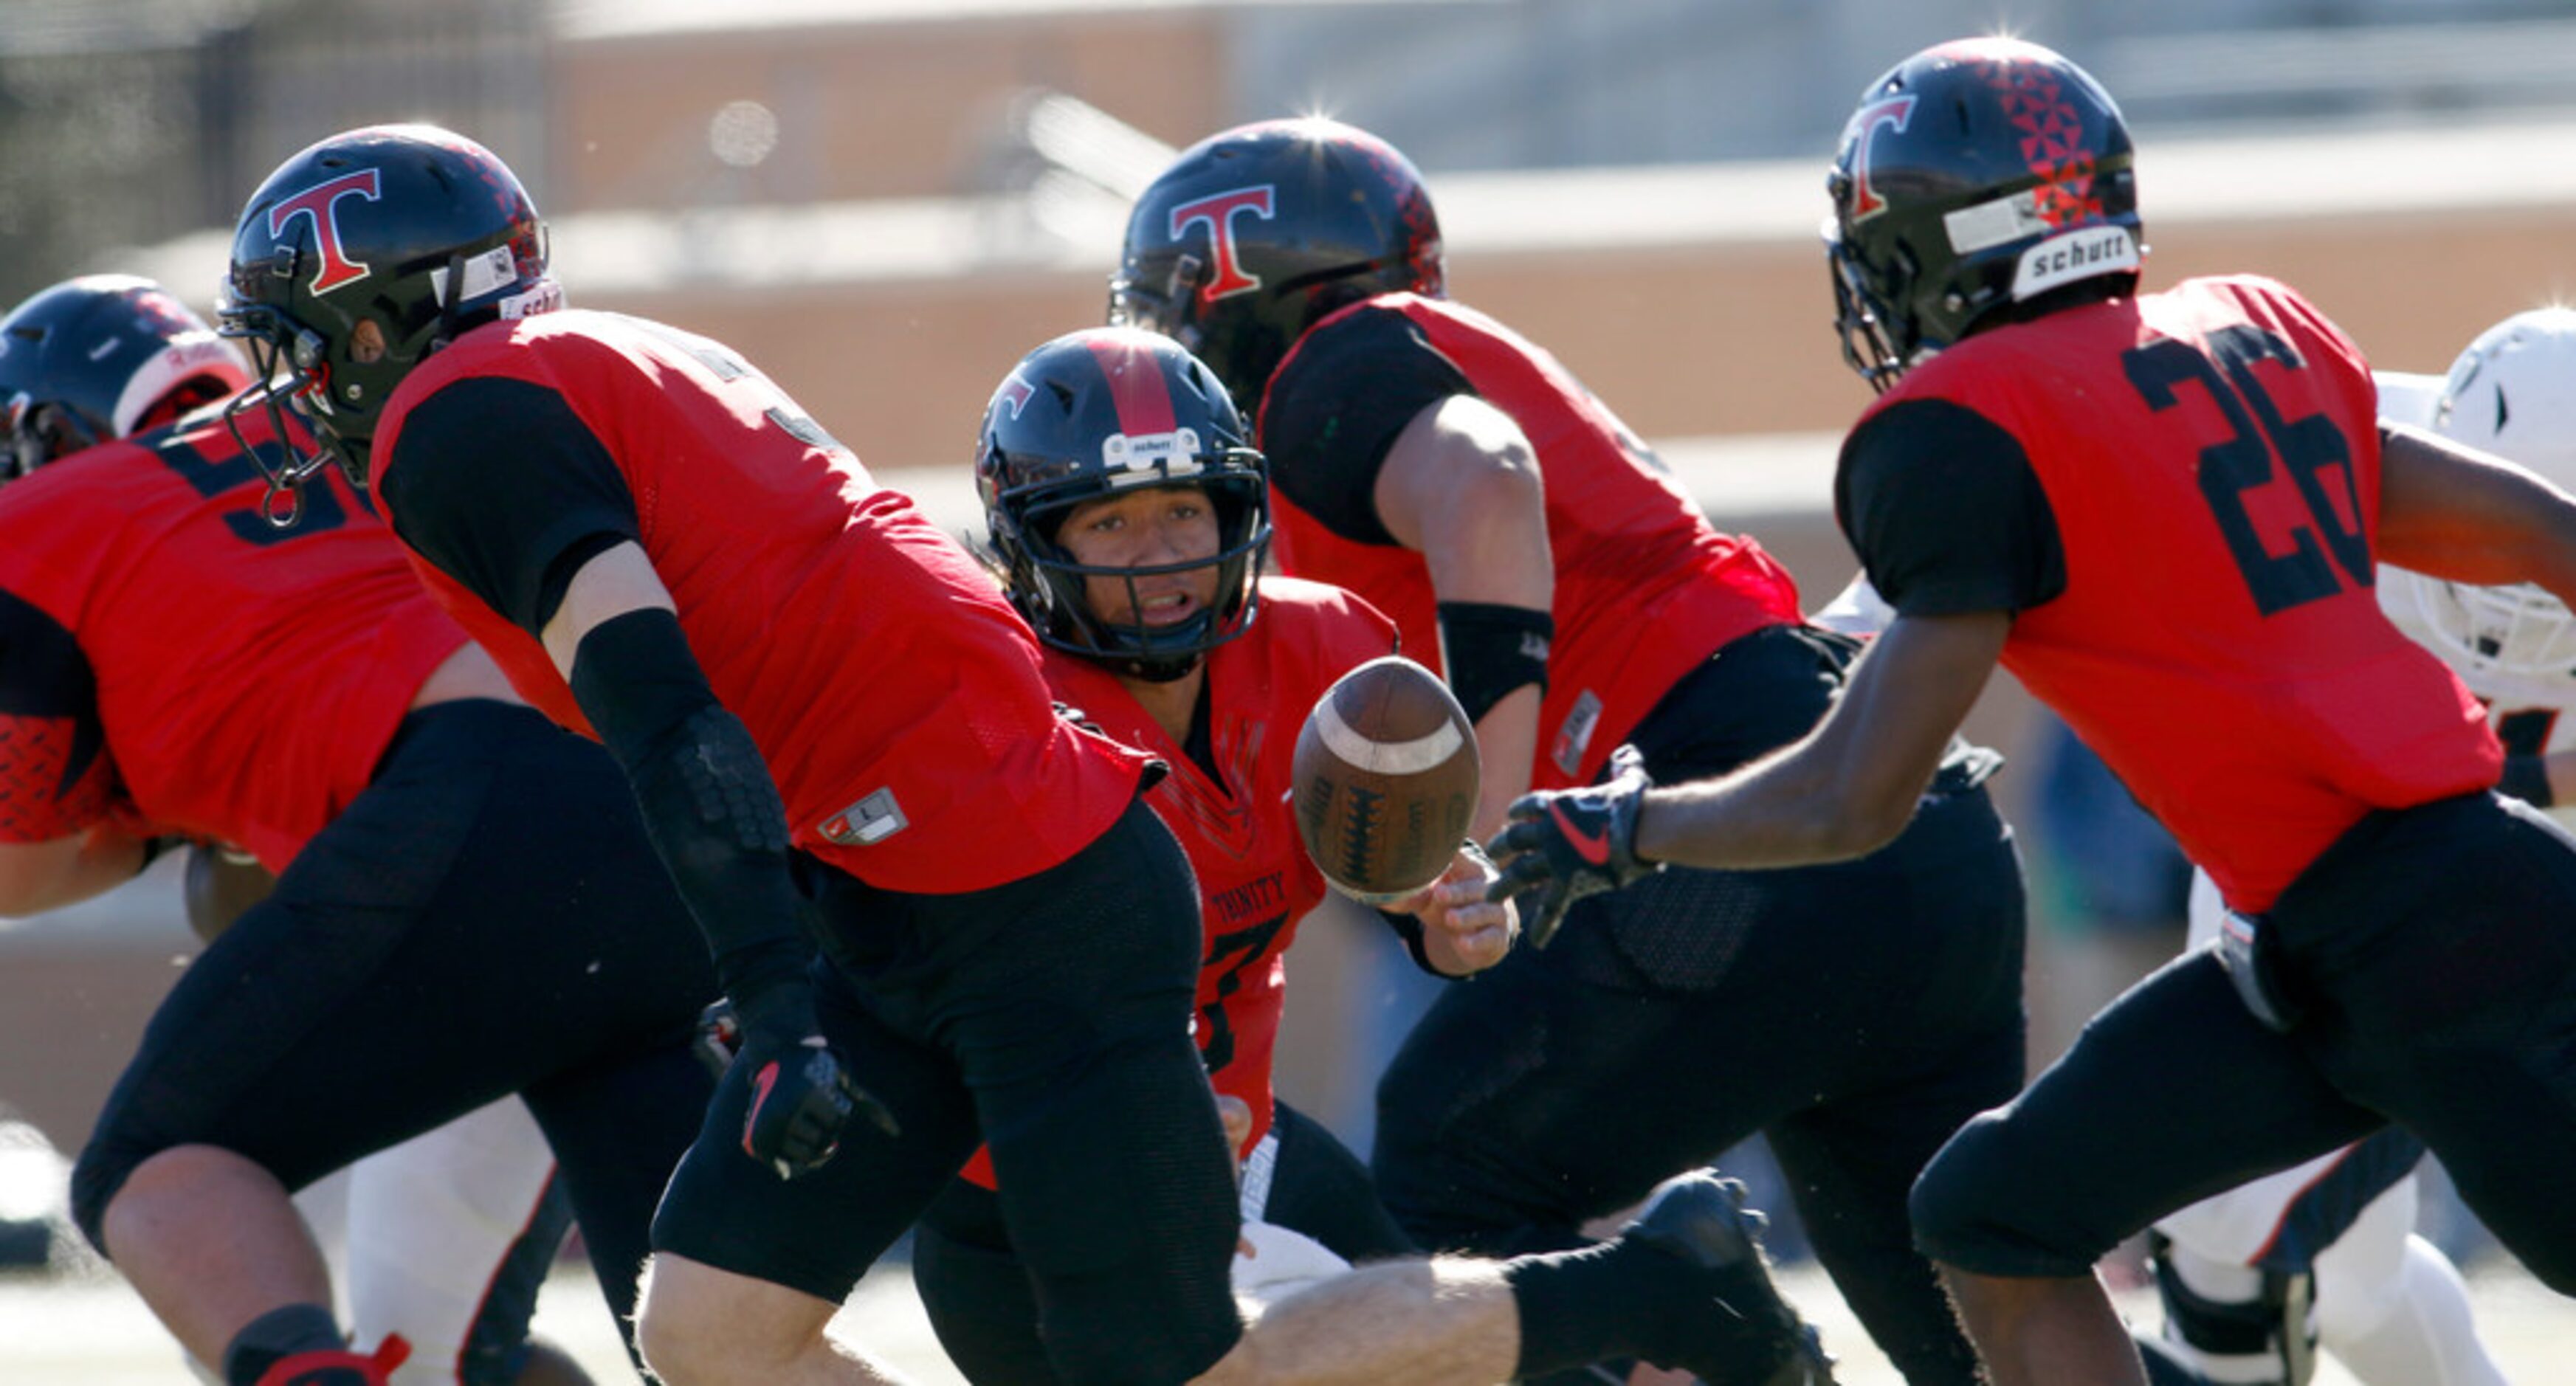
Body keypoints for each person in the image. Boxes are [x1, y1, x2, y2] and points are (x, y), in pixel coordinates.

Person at [216, 122, 1837, 1386]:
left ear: (375, 320)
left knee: (1174, 1372)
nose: (298, 386)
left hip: (1025, 890)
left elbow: (664, 706)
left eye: (301, 340)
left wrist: (771, 993)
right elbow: (787, 663)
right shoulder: (601, 362)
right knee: (709, 1327)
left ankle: (1642, 1284)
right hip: (907, 885)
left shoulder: (463, 415)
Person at [1483, 37, 2576, 1386]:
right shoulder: (2247, 327)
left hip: (2429, 940)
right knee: (1989, 1217)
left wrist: (1629, 829)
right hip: (2327, 940)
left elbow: (1849, 798)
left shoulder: (1964, 423)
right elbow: (2540, 529)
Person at [1112, 116, 2025, 1384]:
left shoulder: (1331, 366)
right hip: (1904, 829)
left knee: (1453, 1172)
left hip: (1729, 809)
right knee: (1989, 1342)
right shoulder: (1410, 361)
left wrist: (1483, 826)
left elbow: (1481, 480)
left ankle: (1719, 1330)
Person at [0, 272, 721, 1386]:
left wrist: (153, 819)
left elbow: (17, 864)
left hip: (476, 818)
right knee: (715, 1343)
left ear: (41, 429)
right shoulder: (342, 427)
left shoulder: (47, 520)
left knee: (153, 1166)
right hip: (680, 806)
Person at [912, 324, 1520, 1382]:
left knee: (1460, 1356)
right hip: (1032, 1199)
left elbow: (1393, 885)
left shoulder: (1325, 653)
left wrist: (1448, 913)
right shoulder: (995, 712)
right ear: (1033, 538)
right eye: (1111, 521)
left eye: (1184, 509)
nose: (1165, 554)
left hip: (1249, 1148)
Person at [2132, 316, 2576, 1386]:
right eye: (2491, 530)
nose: (2513, 597)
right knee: (2260, 1237)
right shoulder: (2320, 455)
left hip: (2529, 892)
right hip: (2327, 860)